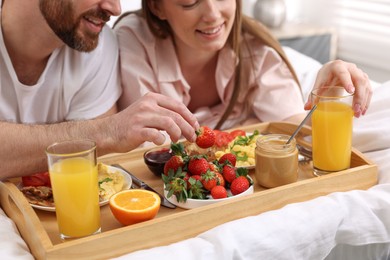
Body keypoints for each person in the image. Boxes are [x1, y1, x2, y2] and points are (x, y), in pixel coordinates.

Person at [0, 0, 199, 180]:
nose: (115, 8)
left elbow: (89, 172)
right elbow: (92, 142)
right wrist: (108, 131)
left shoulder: (97, 46)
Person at [114, 0, 372, 131]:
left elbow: (296, 129)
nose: (213, 14)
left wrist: (331, 94)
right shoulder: (134, 40)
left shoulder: (255, 49)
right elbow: (150, 144)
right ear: (157, 7)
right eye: (190, 2)